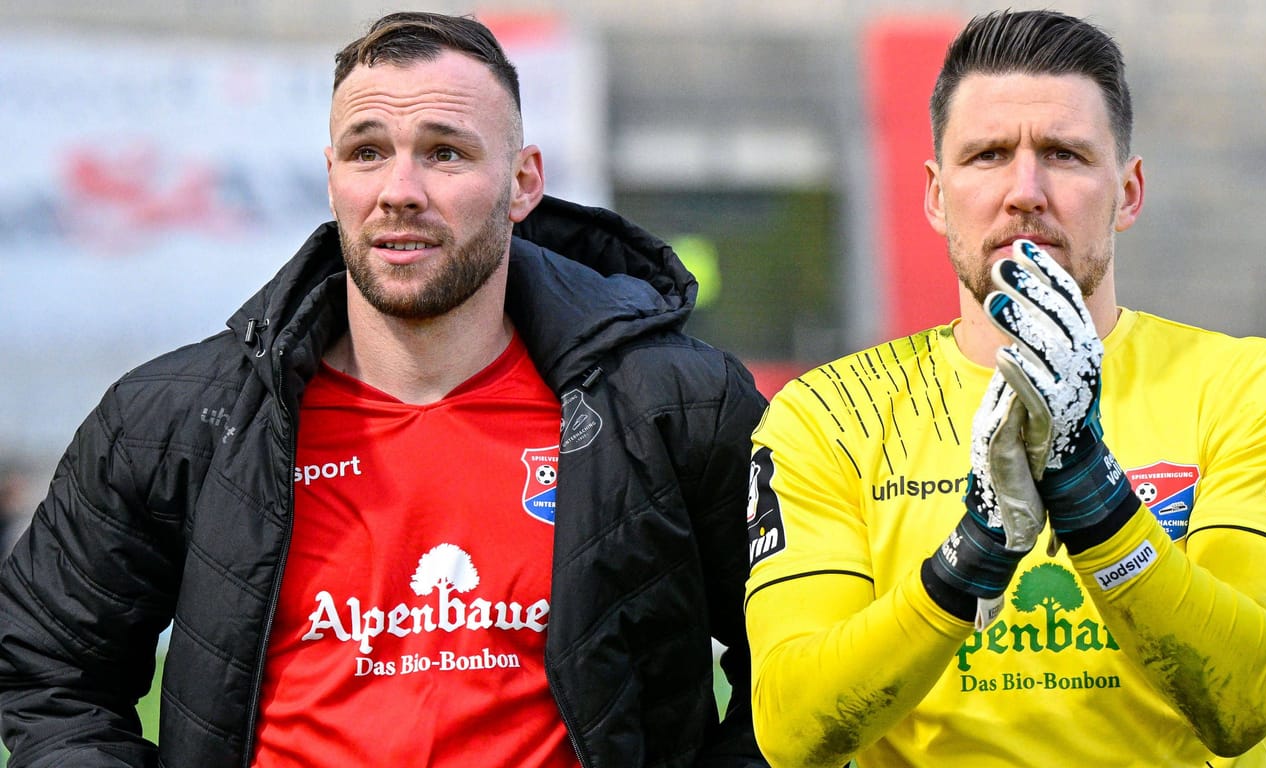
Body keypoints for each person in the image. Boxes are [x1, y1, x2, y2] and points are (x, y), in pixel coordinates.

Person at [0, 12, 768, 768]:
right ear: (331, 176)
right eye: (368, 152)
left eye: (445, 153)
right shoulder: (177, 419)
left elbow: (790, 660)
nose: (400, 189)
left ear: (523, 181)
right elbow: (48, 667)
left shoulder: (675, 407)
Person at [744, 9, 1266, 768]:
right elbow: (793, 731)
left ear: (1128, 192)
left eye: (1063, 154)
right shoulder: (828, 416)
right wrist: (971, 558)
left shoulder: (1255, 389)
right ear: (934, 195)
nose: (1026, 190)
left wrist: (1091, 494)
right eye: (989, 155)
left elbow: (1246, 702)